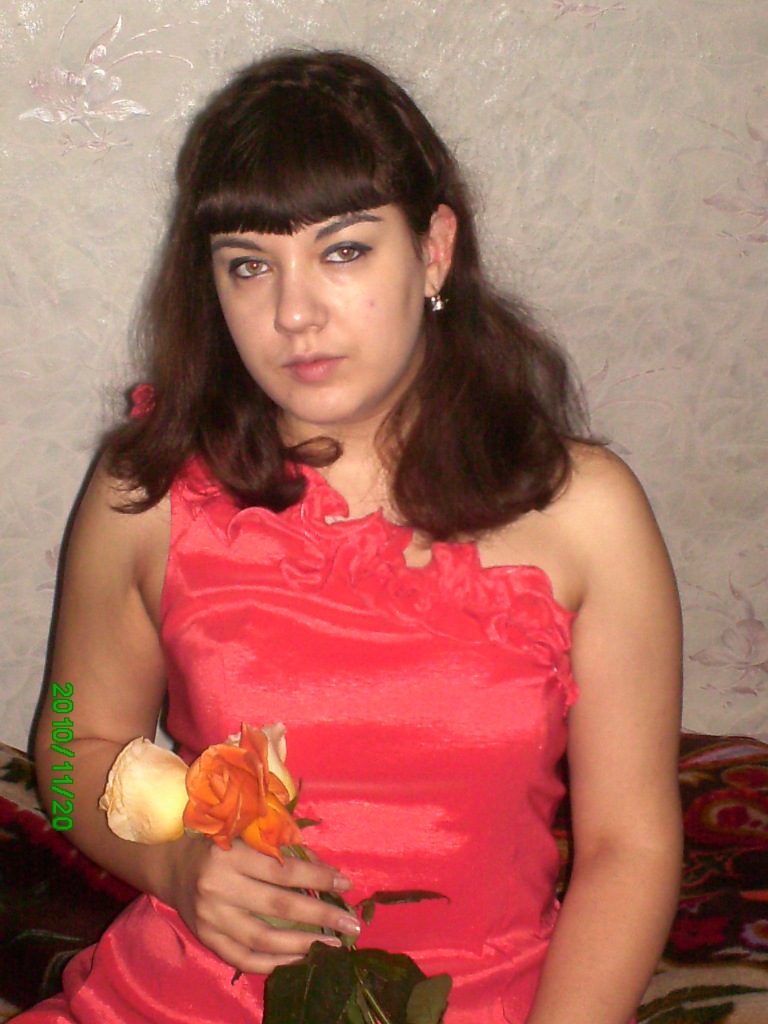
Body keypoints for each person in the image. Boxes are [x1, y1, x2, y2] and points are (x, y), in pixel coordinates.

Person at [19, 49, 682, 1024]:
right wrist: (173, 865)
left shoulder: (587, 516)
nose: (293, 313)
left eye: (343, 252)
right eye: (250, 265)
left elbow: (632, 845)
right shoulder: (145, 491)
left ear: (435, 250)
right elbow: (71, 739)